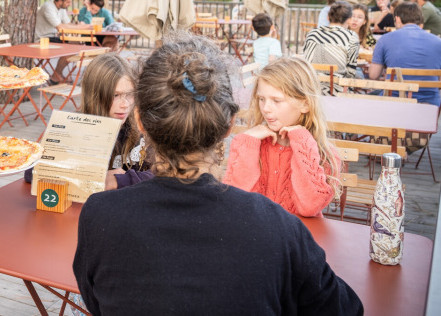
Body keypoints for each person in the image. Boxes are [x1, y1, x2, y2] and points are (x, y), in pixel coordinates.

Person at [73, 33, 362, 315]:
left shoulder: (98, 216)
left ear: (140, 121)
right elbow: (346, 308)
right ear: (229, 125)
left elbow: (96, 301)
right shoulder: (278, 228)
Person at [224, 57, 342, 217]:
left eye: (276, 101)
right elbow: (233, 201)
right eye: (261, 99)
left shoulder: (324, 154)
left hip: (297, 239)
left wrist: (301, 139)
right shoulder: (251, 145)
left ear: (305, 104)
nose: (265, 108)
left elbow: (310, 206)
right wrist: (247, 141)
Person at [24, 53, 152, 189]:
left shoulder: (142, 126)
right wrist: (92, 177)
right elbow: (32, 172)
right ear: (95, 96)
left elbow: (167, 174)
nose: (125, 104)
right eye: (116, 95)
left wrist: (120, 180)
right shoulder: (72, 128)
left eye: (129, 94)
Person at [369, 2, 441, 106]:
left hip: (394, 102)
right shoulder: (438, 42)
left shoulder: (385, 39)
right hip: (430, 105)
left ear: (397, 19)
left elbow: (373, 75)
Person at [304, 0, 360, 93]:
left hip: (311, 89)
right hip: (336, 91)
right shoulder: (351, 37)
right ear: (349, 19)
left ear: (327, 17)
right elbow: (351, 72)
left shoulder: (312, 34)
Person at [35, 0, 73, 83]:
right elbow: (60, 27)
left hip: (53, 37)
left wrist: (79, 27)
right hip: (43, 39)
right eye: (68, 2)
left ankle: (57, 74)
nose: (70, 4)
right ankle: (57, 74)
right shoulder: (48, 7)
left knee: (75, 43)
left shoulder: (61, 8)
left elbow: (68, 24)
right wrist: (83, 28)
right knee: (72, 45)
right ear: (60, 1)